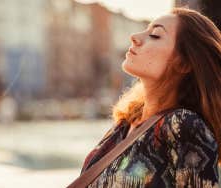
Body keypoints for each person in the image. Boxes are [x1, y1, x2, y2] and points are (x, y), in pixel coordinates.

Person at [80, 8, 220, 187]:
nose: (135, 37)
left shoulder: (183, 125)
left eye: (155, 35)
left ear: (183, 63)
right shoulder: (125, 124)